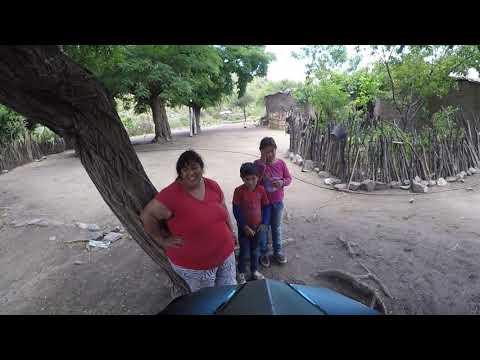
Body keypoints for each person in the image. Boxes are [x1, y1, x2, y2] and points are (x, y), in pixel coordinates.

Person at [140, 150, 237, 293]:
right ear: (180, 173)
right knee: (206, 300)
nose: (190, 173)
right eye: (185, 169)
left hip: (226, 255)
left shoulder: (212, 186)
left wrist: (231, 231)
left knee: (229, 292)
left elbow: (223, 209)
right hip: (196, 267)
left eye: (194, 167)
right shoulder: (171, 195)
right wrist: (161, 240)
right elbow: (147, 216)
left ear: (201, 168)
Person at [254, 137, 292, 268]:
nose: (269, 155)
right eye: (266, 152)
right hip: (263, 204)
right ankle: (264, 253)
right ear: (261, 152)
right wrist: (263, 166)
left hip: (277, 202)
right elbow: (255, 183)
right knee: (263, 228)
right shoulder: (257, 165)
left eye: (272, 151)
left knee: (276, 228)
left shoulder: (281, 163)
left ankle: (278, 251)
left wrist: (282, 182)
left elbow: (289, 178)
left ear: (275, 150)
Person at [232, 162, 270, 284]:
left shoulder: (261, 190)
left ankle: (254, 271)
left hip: (258, 228)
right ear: (242, 178)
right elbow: (236, 210)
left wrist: (264, 223)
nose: (250, 182)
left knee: (255, 250)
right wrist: (244, 226)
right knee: (243, 251)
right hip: (244, 229)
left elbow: (266, 207)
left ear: (258, 177)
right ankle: (241, 272)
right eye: (247, 179)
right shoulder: (238, 191)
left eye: (253, 178)